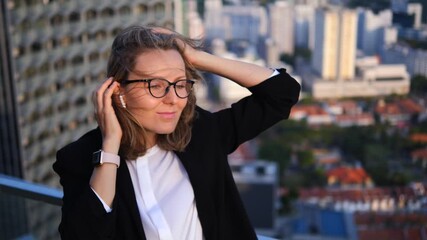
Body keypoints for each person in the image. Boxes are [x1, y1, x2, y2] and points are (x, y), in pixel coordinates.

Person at [53, 25, 300, 240]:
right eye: (156, 85)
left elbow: (281, 94)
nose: (174, 99)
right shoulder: (80, 158)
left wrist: (196, 57)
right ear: (117, 91)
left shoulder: (199, 132)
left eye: (180, 84)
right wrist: (110, 146)